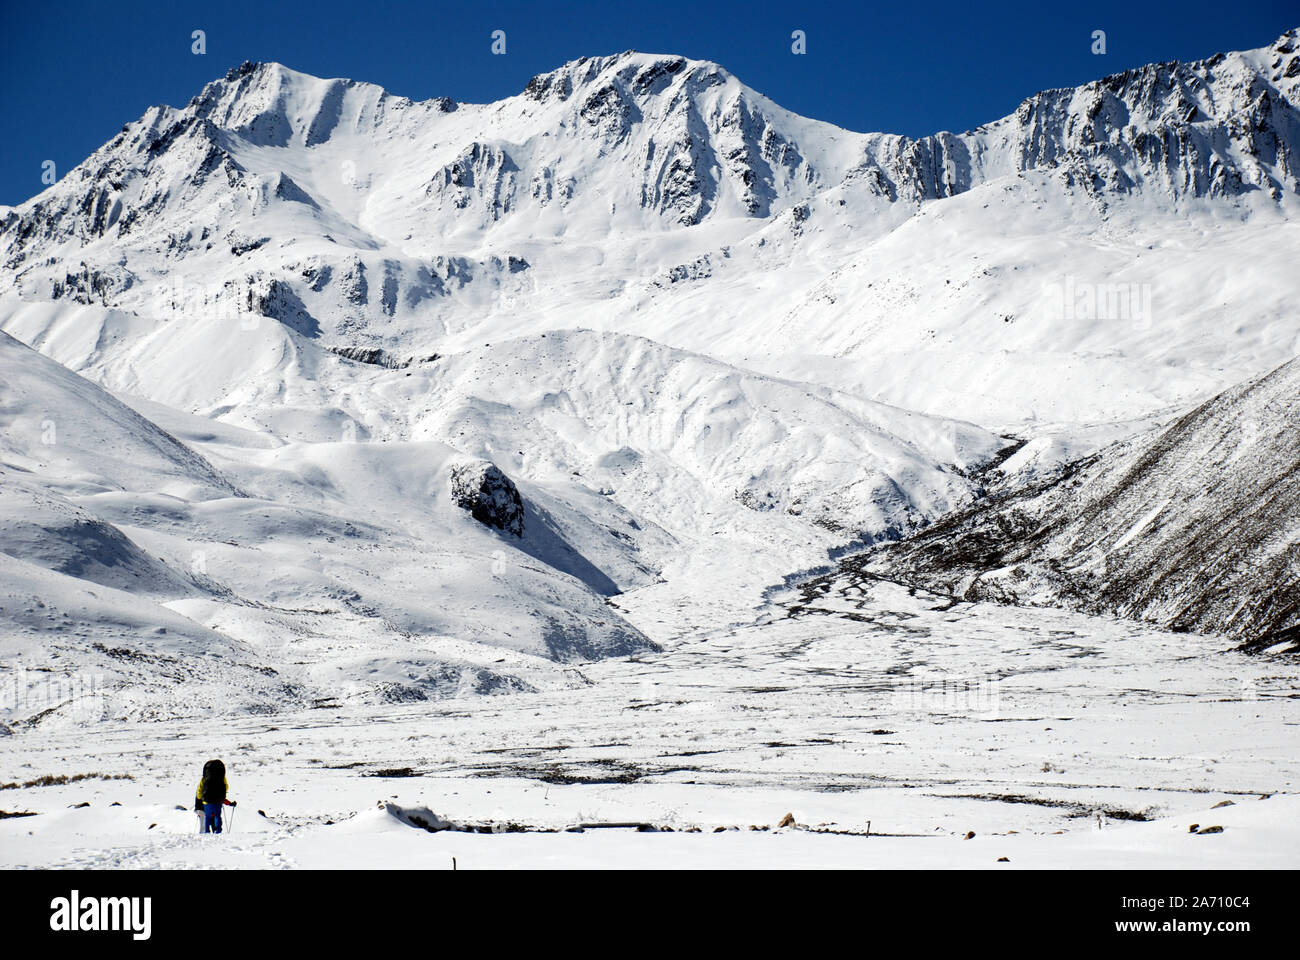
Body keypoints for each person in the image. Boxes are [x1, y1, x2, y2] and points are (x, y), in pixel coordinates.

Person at [194, 758, 236, 834]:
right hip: (218, 801)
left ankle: (206, 832)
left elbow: (199, 790)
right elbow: (226, 786)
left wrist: (200, 798)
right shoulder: (221, 777)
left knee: (207, 819)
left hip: (206, 802)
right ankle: (218, 831)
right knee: (217, 817)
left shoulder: (205, 778)